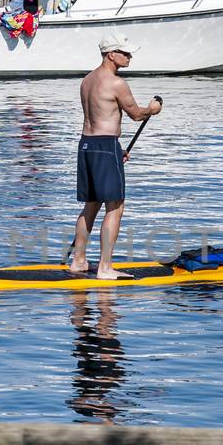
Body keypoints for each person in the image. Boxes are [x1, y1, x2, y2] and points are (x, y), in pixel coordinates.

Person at [68, 32, 161, 279]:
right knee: (116, 206)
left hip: (87, 145)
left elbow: (100, 116)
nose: (129, 56)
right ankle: (105, 267)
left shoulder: (86, 80)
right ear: (111, 54)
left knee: (91, 205)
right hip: (105, 146)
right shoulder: (116, 83)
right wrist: (152, 109)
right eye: (125, 52)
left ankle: (78, 261)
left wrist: (113, 151)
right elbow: (137, 114)